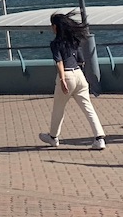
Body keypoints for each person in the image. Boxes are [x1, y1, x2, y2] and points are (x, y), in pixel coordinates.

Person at [38, 11, 106, 150]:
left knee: (58, 109)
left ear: (56, 27)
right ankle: (99, 138)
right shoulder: (74, 41)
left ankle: (53, 137)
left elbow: (59, 62)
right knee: (88, 108)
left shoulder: (56, 43)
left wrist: (62, 79)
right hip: (79, 75)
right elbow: (81, 60)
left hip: (67, 76)